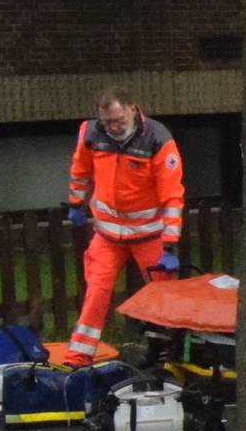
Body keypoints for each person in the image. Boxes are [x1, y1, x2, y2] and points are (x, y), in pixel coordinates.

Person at [65, 88, 185, 359]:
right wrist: (75, 203)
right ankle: (78, 358)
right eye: (107, 122)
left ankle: (168, 354)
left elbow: (172, 197)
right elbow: (80, 170)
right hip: (107, 235)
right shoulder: (91, 133)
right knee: (96, 292)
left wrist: (170, 245)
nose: (113, 127)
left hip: (149, 235)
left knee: (163, 296)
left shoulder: (158, 139)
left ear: (133, 109)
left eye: (118, 120)